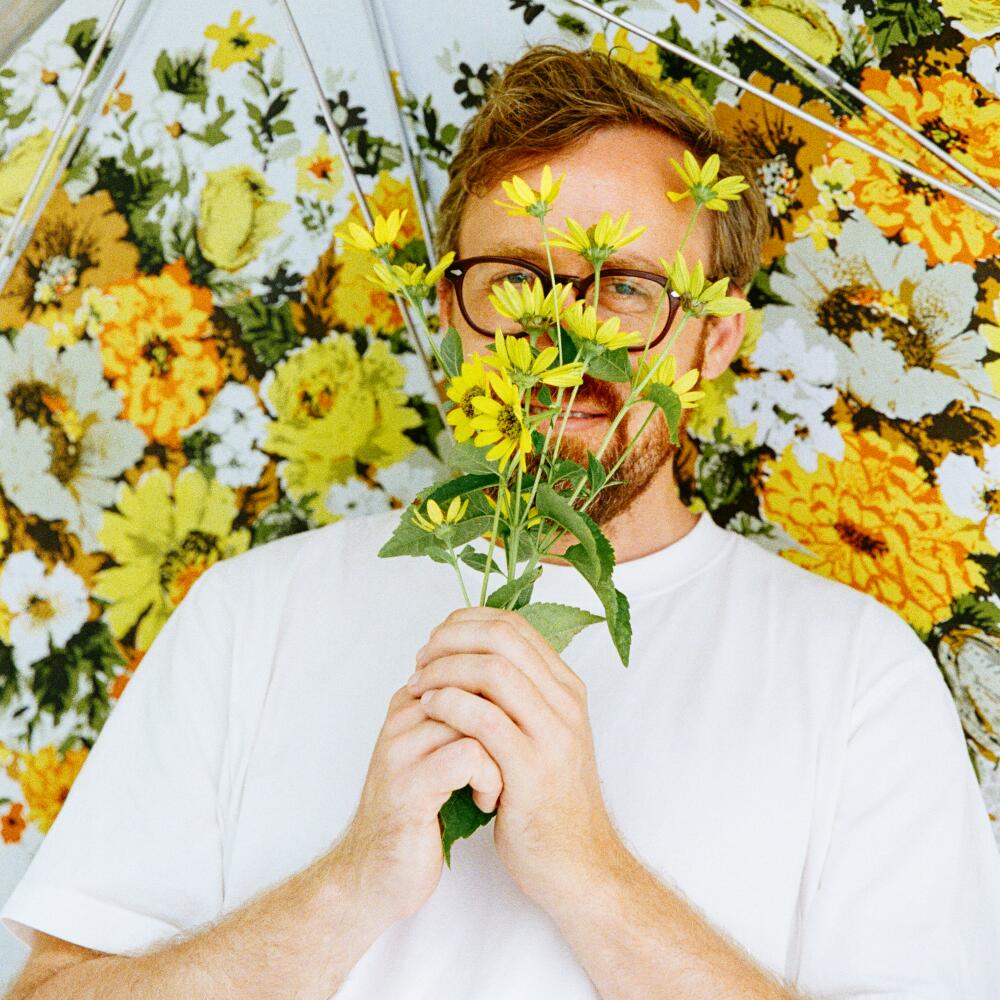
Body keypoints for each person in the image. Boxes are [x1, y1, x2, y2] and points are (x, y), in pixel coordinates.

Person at [3, 44, 1000, 1000]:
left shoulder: (857, 675)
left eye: (625, 287)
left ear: (714, 337)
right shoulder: (250, 614)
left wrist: (586, 867)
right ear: (450, 312)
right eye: (517, 281)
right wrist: (352, 883)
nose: (562, 341)